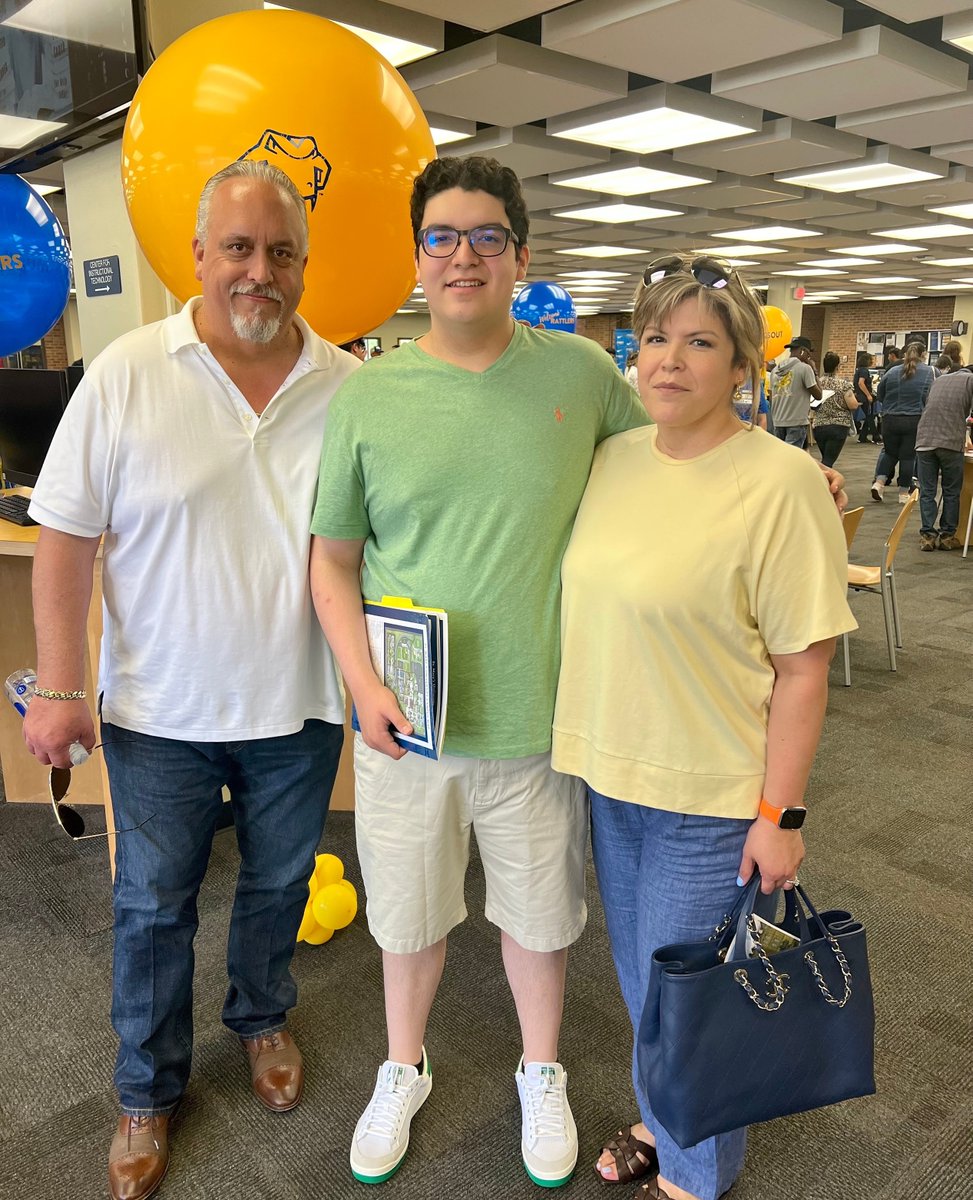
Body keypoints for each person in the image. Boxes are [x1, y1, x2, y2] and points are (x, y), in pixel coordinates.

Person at [307, 154, 649, 1190]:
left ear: (521, 253)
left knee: (539, 923)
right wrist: (361, 684)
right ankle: (400, 1066)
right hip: (407, 722)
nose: (464, 255)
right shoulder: (371, 394)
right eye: (443, 237)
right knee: (406, 922)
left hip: (540, 721)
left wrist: (772, 469)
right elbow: (332, 561)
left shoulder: (583, 376)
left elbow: (663, 479)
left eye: (486, 236)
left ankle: (538, 1069)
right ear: (417, 259)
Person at [22, 160, 358, 1200]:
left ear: (303, 263)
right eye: (240, 249)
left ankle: (260, 1021)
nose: (260, 271)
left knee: (276, 885)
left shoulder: (346, 385)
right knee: (152, 906)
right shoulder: (126, 371)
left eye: (281, 252)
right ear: (200, 257)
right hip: (159, 708)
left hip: (296, 703)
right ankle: (145, 1089)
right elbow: (64, 538)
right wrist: (61, 687)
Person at [550, 253, 856, 1200]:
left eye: (699, 343)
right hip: (610, 781)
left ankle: (692, 1181)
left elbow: (805, 669)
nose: (669, 361)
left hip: (711, 799)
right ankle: (664, 1119)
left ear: (739, 367)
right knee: (649, 996)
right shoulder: (612, 460)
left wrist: (781, 815)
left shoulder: (778, 483)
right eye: (653, 339)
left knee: (694, 1010)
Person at [915, 367, 973, 551]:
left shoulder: (940, 379)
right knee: (951, 491)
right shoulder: (970, 380)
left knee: (927, 491)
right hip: (950, 442)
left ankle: (927, 537)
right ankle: (947, 536)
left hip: (924, 440)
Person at [871, 339, 933, 504]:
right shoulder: (930, 373)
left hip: (890, 419)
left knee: (890, 452)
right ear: (923, 355)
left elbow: (881, 394)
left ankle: (879, 482)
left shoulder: (892, 371)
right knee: (908, 457)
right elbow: (932, 397)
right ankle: (903, 493)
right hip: (914, 419)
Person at [771, 335, 821, 448]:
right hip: (797, 422)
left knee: (780, 456)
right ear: (803, 351)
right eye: (809, 353)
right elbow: (818, 395)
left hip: (778, 421)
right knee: (791, 459)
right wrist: (814, 371)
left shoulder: (775, 370)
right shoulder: (804, 368)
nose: (810, 356)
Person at [811, 351, 858, 467]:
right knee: (828, 462)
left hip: (819, 425)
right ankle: (823, 481)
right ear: (838, 366)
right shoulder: (843, 384)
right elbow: (853, 405)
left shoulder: (817, 383)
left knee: (826, 458)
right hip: (838, 425)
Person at [854, 350, 880, 444]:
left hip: (860, 396)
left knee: (869, 416)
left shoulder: (859, 370)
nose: (872, 361)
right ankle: (876, 437)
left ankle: (862, 437)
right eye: (871, 360)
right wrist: (868, 395)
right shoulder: (864, 370)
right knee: (870, 416)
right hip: (864, 397)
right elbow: (861, 383)